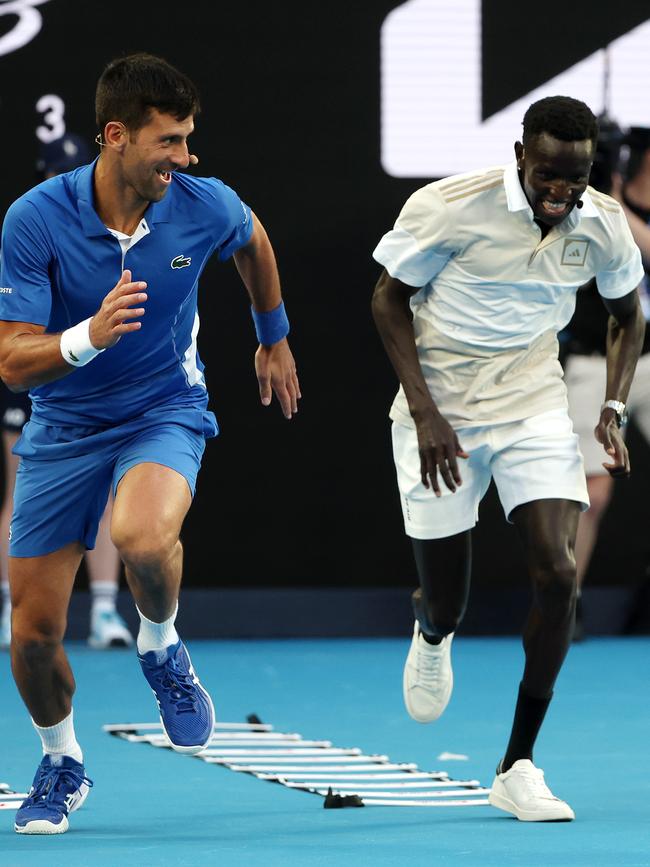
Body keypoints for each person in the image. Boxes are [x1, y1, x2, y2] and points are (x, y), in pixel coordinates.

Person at [0, 53, 300, 835]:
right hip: (64, 426)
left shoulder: (204, 202)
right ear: (116, 136)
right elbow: (11, 357)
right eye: (169, 141)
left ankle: (161, 644)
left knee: (140, 537)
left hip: (164, 407)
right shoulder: (34, 219)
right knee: (30, 637)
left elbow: (253, 239)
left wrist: (274, 335)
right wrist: (87, 337)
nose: (186, 156)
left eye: (188, 138)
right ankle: (62, 760)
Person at [371, 95, 644, 822]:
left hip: (532, 400)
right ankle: (431, 627)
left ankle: (517, 762)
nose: (561, 192)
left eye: (576, 178)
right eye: (549, 174)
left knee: (557, 573)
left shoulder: (603, 224)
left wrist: (612, 405)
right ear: (521, 155)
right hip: (442, 405)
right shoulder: (451, 206)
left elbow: (629, 313)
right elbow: (388, 299)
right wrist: (426, 410)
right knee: (449, 598)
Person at [0, 133, 133, 652]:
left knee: (106, 496)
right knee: (18, 491)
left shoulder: (112, 221)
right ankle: (12, 607)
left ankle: (104, 611)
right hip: (35, 369)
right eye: (57, 170)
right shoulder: (27, 224)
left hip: (96, 371)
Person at [563, 126, 650, 638]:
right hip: (598, 359)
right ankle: (565, 601)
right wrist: (607, 196)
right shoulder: (591, 207)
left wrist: (617, 206)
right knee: (593, 493)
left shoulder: (615, 213)